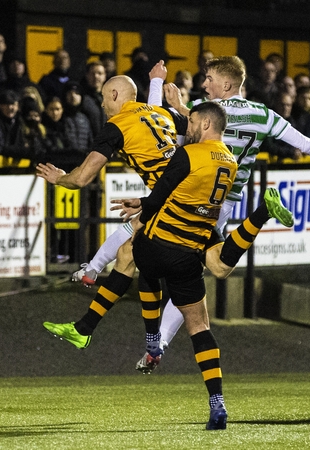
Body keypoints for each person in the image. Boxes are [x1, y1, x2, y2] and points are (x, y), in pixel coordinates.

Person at [51, 57, 310, 363]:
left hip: (191, 196)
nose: (204, 83)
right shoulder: (263, 114)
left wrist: (167, 95)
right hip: (224, 200)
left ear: (226, 84)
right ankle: (137, 333)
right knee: (208, 266)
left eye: (210, 78)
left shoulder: (203, 113)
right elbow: (304, 143)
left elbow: (165, 130)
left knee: (141, 251)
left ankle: (128, 327)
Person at [118, 101, 236, 430]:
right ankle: (217, 403)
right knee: (200, 328)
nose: (189, 126)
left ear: (207, 124)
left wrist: (138, 204)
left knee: (138, 258)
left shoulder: (187, 155)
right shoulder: (230, 160)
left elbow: (158, 197)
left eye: (193, 121)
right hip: (189, 253)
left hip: (160, 242)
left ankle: (153, 338)